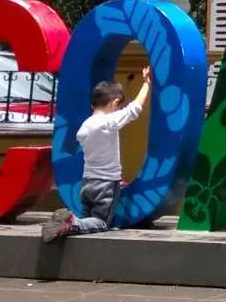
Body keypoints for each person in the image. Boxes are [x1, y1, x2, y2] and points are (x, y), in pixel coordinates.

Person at [41, 66, 151, 241]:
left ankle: (71, 223)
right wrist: (146, 83)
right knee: (101, 223)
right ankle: (71, 222)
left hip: (87, 184)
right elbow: (134, 110)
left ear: (93, 104)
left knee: (87, 222)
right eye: (117, 106)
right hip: (106, 184)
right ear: (115, 102)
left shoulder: (85, 126)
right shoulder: (107, 122)